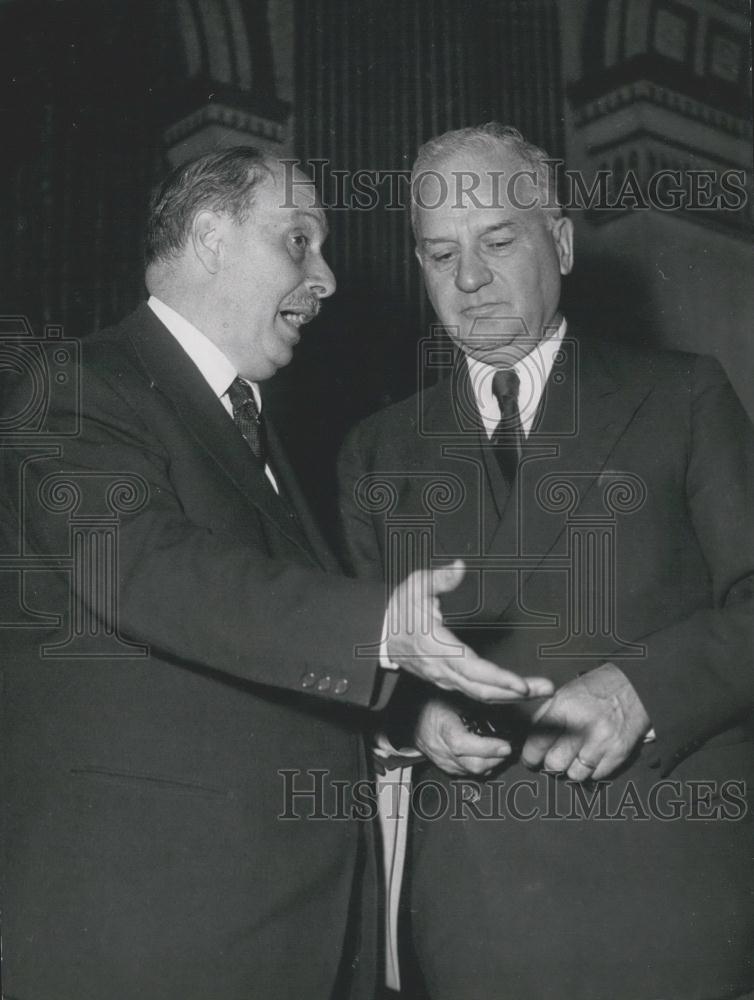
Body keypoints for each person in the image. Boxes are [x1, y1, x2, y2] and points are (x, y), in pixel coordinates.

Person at [0, 147, 551, 1000]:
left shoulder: (249, 426)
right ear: (211, 238)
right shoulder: (80, 386)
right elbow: (142, 565)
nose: (326, 279)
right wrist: (378, 631)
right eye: (298, 242)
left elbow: (259, 652)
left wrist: (410, 718)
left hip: (277, 929)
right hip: (152, 931)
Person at [338, 124, 754, 1000]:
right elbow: (356, 660)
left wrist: (647, 688)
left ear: (559, 242)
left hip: (668, 886)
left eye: (497, 241)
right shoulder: (374, 451)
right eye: (439, 253)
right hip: (479, 908)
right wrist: (414, 717)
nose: (470, 280)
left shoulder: (681, 396)